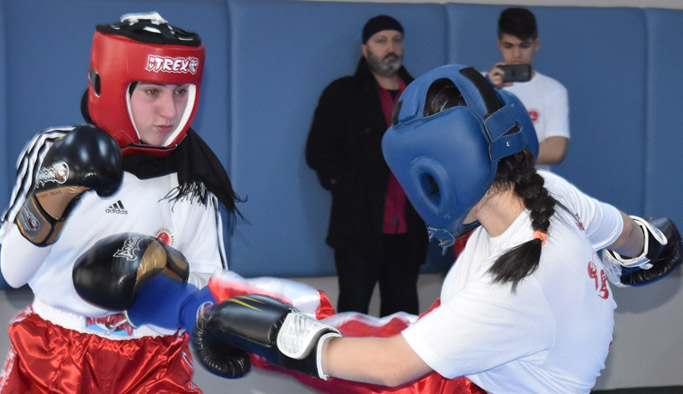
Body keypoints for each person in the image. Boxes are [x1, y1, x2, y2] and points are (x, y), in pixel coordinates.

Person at [186, 64, 681, 393]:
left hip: (476, 379)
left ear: (448, 169)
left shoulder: (512, 285)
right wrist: (649, 250)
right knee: (367, 328)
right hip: (496, 357)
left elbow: (392, 367)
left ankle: (207, 298)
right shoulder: (549, 191)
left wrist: (285, 342)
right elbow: (632, 237)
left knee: (345, 339)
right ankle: (216, 299)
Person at [0, 12, 242, 393]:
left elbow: (206, 282)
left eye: (180, 92)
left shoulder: (194, 180)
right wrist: (52, 199)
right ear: (111, 86)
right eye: (152, 91)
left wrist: (164, 264)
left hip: (151, 359)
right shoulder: (53, 150)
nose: (170, 111)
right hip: (53, 351)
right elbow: (12, 273)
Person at [305, 15, 428, 317]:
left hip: (408, 232)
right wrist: (346, 188)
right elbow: (317, 151)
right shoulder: (342, 94)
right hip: (357, 230)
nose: (390, 48)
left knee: (404, 320)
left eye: (396, 41)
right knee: (352, 316)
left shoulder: (421, 95)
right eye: (381, 41)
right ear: (365, 49)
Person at [487, 7, 570, 171]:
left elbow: (556, 151)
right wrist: (485, 88)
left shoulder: (553, 90)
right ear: (499, 44)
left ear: (536, 44)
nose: (516, 54)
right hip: (489, 188)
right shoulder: (478, 84)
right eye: (509, 46)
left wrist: (499, 152)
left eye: (524, 45)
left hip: (534, 189)